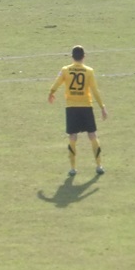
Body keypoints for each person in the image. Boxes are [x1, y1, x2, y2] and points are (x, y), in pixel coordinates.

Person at [48, 45, 109, 177]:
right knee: (92, 135)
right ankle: (99, 166)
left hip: (71, 107)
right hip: (86, 106)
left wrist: (51, 92)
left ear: (72, 57)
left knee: (72, 136)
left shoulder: (65, 70)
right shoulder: (89, 71)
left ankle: (73, 168)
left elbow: (57, 83)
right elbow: (94, 90)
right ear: (84, 56)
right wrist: (102, 107)